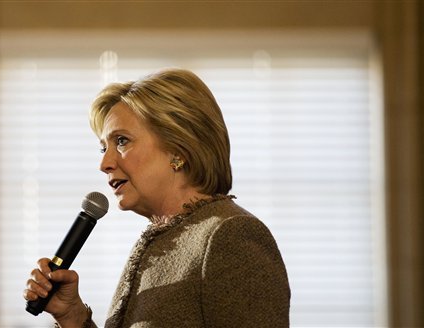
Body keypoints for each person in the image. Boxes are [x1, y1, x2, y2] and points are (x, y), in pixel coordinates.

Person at [24, 68, 291, 327]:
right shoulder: (159, 242)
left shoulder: (230, 235)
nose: (105, 162)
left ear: (178, 148)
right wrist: (71, 315)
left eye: (122, 141)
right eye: (103, 147)